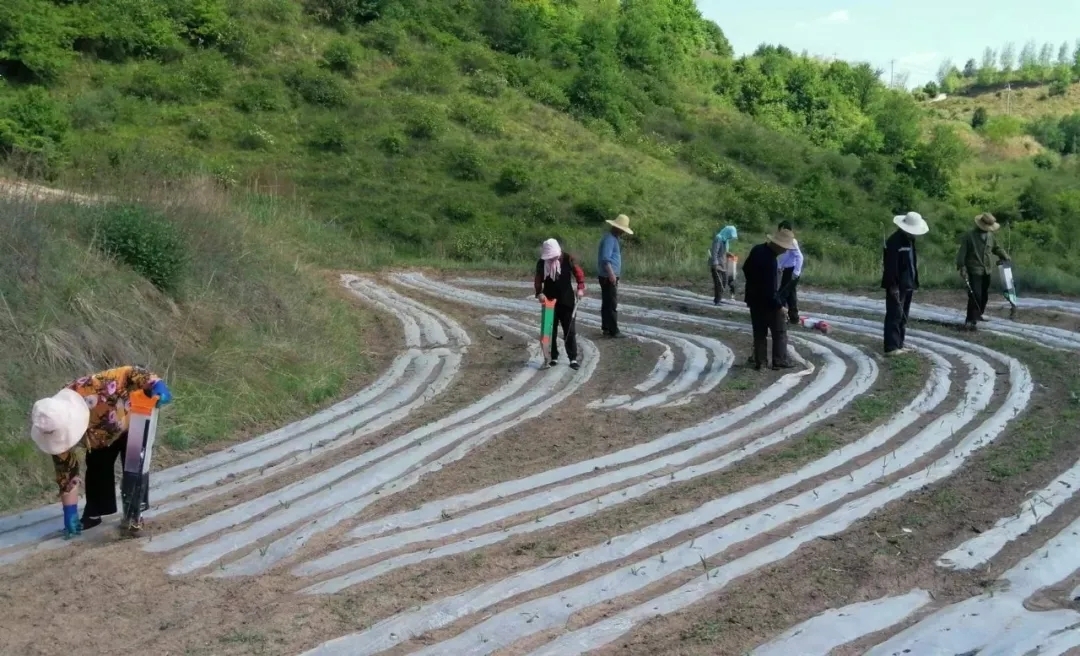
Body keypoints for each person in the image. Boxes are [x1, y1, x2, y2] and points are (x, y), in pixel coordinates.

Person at [29, 365, 172, 538]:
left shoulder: (97, 386)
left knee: (134, 469)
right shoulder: (52, 421)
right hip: (98, 438)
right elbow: (66, 472)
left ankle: (133, 516)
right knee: (97, 468)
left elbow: (129, 372)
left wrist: (156, 384)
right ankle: (94, 513)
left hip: (131, 420)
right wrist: (70, 511)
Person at [743, 227, 796, 370]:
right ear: (778, 246)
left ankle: (761, 362)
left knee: (759, 332)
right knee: (779, 331)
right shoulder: (771, 262)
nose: (785, 251)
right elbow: (771, 290)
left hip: (753, 299)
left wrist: (753, 284)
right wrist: (781, 306)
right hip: (768, 303)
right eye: (785, 248)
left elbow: (745, 268)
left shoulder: (757, 249)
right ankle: (779, 360)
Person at [882, 211, 929, 356]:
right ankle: (891, 347)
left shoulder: (910, 240)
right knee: (895, 314)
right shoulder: (894, 242)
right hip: (897, 285)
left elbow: (911, 263)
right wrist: (893, 286)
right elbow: (890, 267)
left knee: (903, 315)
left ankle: (899, 344)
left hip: (908, 283)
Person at [535, 238, 586, 370]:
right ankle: (553, 357)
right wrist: (539, 293)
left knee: (569, 330)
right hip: (549, 300)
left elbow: (579, 273)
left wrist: (580, 288)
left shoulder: (568, 258)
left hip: (567, 300)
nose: (551, 259)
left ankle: (573, 358)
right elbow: (538, 280)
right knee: (550, 330)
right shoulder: (541, 263)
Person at [956, 212, 1010, 331]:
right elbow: (962, 253)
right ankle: (970, 319)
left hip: (987, 269)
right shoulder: (969, 236)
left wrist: (1004, 255)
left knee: (984, 295)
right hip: (974, 269)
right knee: (975, 294)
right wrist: (962, 267)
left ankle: (978, 314)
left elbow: (996, 248)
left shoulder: (990, 236)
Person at [597, 214, 633, 338]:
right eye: (622, 229)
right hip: (607, 276)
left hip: (608, 275)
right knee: (611, 303)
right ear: (617, 228)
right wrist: (612, 274)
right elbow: (605, 259)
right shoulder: (609, 239)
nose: (623, 232)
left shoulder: (612, 238)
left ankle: (606, 327)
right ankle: (613, 330)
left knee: (607, 302)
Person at [775, 220, 804, 324]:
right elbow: (787, 256)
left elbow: (800, 257)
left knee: (782, 294)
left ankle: (779, 317)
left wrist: (796, 273)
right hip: (787, 270)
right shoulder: (786, 241)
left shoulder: (792, 241)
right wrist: (780, 266)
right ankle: (794, 318)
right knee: (791, 295)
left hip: (792, 271)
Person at [709, 225, 739, 304]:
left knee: (724, 282)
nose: (730, 237)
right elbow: (714, 252)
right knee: (718, 283)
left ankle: (719, 298)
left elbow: (724, 252)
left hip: (723, 264)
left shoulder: (726, 240)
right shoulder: (718, 238)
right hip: (717, 264)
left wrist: (730, 254)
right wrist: (715, 263)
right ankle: (717, 300)